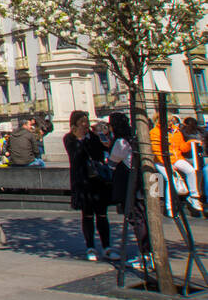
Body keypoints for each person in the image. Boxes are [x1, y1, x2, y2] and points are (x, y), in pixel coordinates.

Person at [63, 110, 115, 261]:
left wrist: (103, 137)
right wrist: (80, 139)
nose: (85, 125)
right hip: (83, 181)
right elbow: (75, 157)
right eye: (82, 122)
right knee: (87, 215)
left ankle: (107, 246)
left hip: (98, 181)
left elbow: (105, 150)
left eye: (86, 121)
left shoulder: (94, 137)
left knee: (102, 215)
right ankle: (90, 247)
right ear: (74, 124)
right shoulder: (69, 139)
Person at [106, 112, 152, 268]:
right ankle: (149, 253)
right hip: (146, 181)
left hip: (131, 185)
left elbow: (112, 163)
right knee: (145, 217)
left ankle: (145, 255)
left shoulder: (121, 142)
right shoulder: (135, 139)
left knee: (136, 218)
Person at [149, 116, 203, 213]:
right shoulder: (155, 132)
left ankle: (194, 196)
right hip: (161, 161)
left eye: (172, 121)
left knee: (191, 171)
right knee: (171, 180)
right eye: (169, 121)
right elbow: (157, 150)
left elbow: (182, 148)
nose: (171, 122)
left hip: (176, 158)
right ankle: (169, 206)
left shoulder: (176, 131)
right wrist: (168, 164)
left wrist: (190, 143)